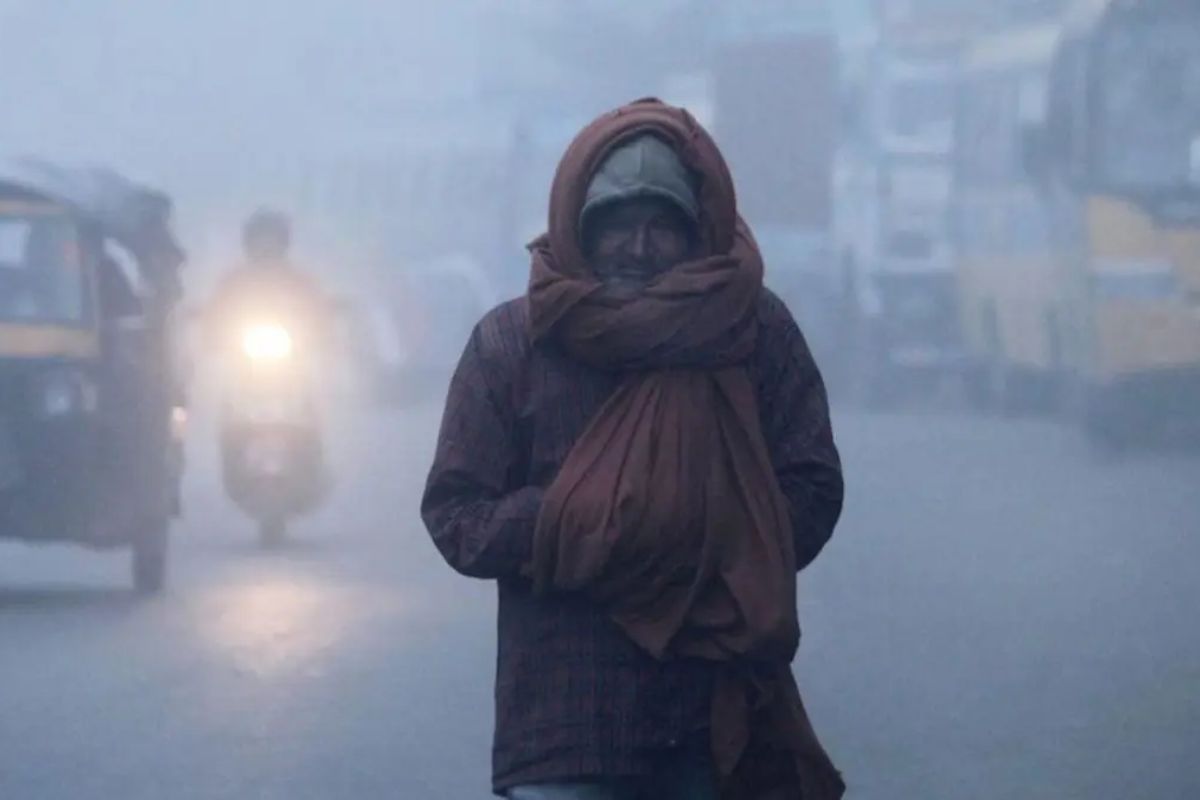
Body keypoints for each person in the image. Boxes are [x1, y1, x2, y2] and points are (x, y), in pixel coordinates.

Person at [422, 99, 845, 800]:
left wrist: (710, 543)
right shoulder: (511, 345)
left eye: (661, 227)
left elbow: (813, 486)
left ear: (697, 232)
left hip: (711, 721)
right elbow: (454, 516)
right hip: (565, 728)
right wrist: (579, 522)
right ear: (579, 227)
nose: (640, 248)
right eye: (617, 225)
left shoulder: (752, 334)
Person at [207, 208, 331, 355]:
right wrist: (219, 335)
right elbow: (215, 319)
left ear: (283, 244)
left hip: (296, 359)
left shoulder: (301, 283)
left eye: (273, 241)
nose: (266, 248)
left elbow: (318, 318)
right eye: (260, 242)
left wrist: (315, 335)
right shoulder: (232, 283)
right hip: (237, 357)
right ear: (249, 245)